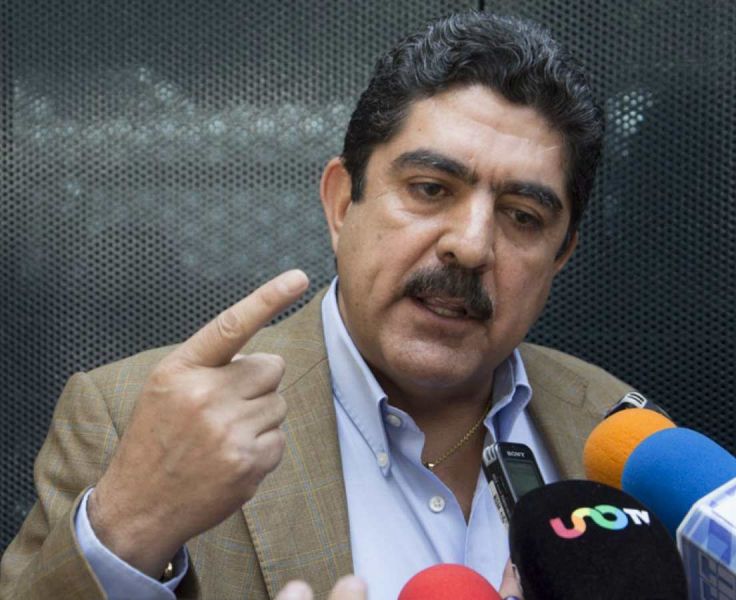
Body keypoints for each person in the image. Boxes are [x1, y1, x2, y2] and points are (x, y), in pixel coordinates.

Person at [0, 11, 633, 600]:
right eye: (430, 189)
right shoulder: (128, 421)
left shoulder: (627, 434)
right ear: (339, 203)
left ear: (561, 255)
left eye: (522, 216)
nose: (470, 245)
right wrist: (132, 523)